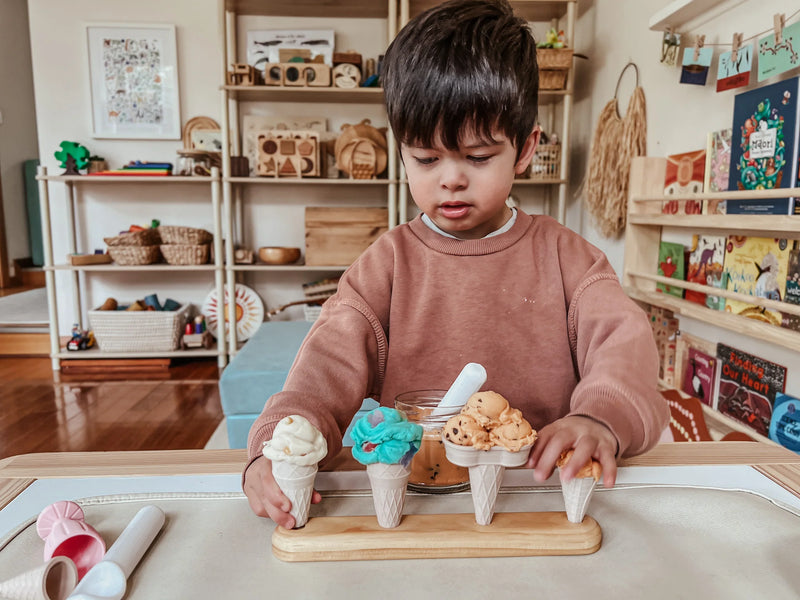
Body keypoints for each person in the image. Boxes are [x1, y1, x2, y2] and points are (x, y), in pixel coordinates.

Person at [243, 0, 669, 526]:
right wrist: (280, 439)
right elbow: (322, 370)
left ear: (525, 148)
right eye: (425, 158)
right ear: (401, 152)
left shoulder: (568, 259)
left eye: (477, 156)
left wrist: (598, 418)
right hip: (409, 504)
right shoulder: (387, 263)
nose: (450, 179)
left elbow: (624, 351)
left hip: (536, 501)